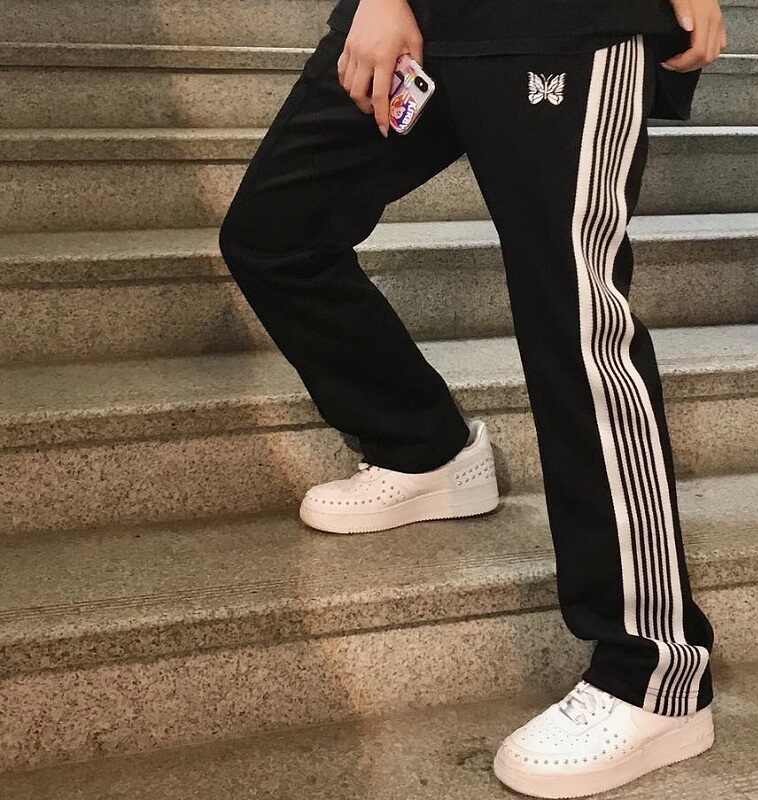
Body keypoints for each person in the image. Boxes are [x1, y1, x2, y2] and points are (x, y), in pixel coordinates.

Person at [218, 0, 725, 795]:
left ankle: (653, 670)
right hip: (412, 18)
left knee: (574, 319)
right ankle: (423, 448)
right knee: (275, 230)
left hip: (565, 21)